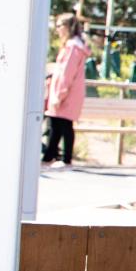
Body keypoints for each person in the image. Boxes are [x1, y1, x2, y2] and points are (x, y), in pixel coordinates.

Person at [42, 13, 90, 168]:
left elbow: (67, 73)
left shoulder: (72, 48)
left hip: (66, 93)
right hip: (67, 92)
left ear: (68, 28)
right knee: (59, 124)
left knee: (59, 124)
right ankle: (53, 156)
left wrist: (59, 94)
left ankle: (62, 158)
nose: (57, 30)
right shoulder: (74, 47)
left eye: (59, 26)